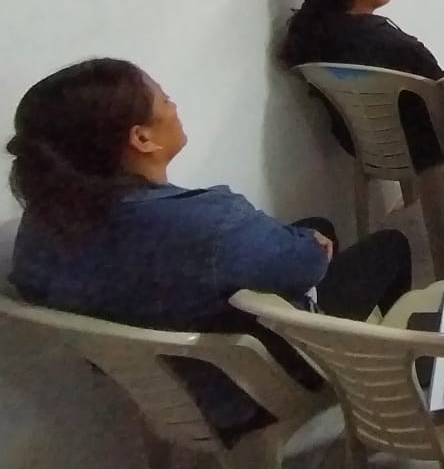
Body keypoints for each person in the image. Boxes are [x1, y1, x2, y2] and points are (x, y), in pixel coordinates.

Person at [7, 59, 413, 440]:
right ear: (142, 138)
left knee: (316, 227)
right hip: (248, 388)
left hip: (155, 390)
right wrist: (310, 249)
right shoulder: (210, 222)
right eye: (165, 99)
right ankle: (398, 379)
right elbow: (307, 266)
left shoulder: (39, 229)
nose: (174, 106)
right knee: (389, 246)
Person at [280, 0, 444, 170]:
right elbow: (440, 86)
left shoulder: (314, 33)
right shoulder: (386, 41)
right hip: (418, 144)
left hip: (357, 143)